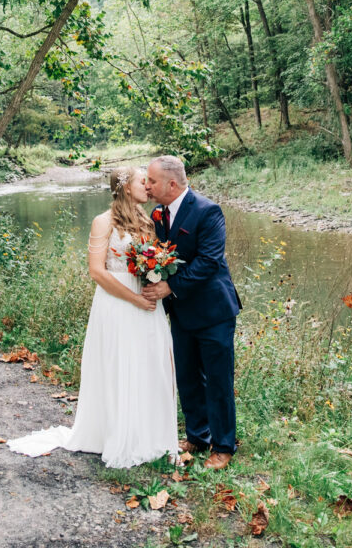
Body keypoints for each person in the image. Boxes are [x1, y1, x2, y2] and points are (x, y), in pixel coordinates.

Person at [7, 167, 178, 468]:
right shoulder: (103, 221)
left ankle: (148, 434)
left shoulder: (149, 221)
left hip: (147, 303)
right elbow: (97, 272)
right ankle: (117, 434)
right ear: (126, 188)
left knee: (148, 363)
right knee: (119, 364)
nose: (148, 188)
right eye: (142, 182)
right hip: (117, 303)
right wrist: (135, 298)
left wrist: (155, 282)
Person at [143, 155, 241, 471]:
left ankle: (224, 446)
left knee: (218, 380)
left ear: (172, 183)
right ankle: (197, 436)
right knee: (186, 376)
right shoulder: (158, 214)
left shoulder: (207, 211)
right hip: (182, 312)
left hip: (214, 311)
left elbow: (208, 262)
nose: (147, 185)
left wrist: (169, 288)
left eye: (152, 181)